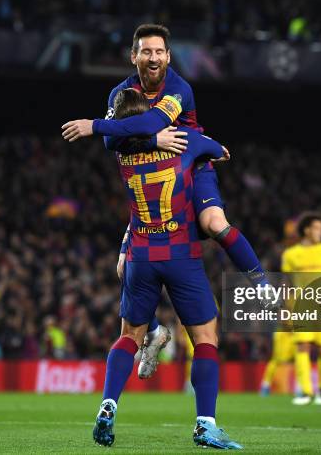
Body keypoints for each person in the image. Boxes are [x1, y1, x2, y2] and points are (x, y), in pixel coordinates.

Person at [62, 23, 270, 378]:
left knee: (214, 224)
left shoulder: (179, 88)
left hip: (191, 164)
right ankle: (155, 331)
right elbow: (115, 144)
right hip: (152, 176)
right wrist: (151, 141)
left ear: (168, 56)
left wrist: (95, 125)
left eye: (159, 51)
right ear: (134, 56)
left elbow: (156, 121)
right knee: (124, 268)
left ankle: (262, 284)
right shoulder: (121, 92)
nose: (154, 57)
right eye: (146, 51)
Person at [87, 88, 242, 449]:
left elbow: (117, 133)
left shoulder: (121, 151)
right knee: (205, 339)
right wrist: (211, 150)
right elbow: (219, 150)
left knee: (129, 336)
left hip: (141, 254)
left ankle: (108, 404)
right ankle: (205, 424)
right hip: (179, 254)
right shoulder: (184, 141)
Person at [282, 212, 321, 405]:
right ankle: (306, 392)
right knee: (303, 346)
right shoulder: (291, 254)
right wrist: (284, 308)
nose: (320, 232)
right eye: (317, 228)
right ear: (307, 230)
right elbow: (286, 283)